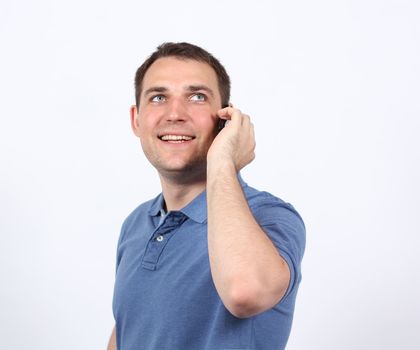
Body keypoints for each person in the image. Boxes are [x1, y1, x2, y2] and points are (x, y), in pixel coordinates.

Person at [108, 42, 305, 350]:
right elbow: (126, 332)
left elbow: (245, 292)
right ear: (136, 119)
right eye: (158, 97)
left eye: (197, 97)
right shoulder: (136, 224)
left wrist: (223, 161)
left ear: (225, 119)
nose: (175, 114)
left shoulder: (269, 215)